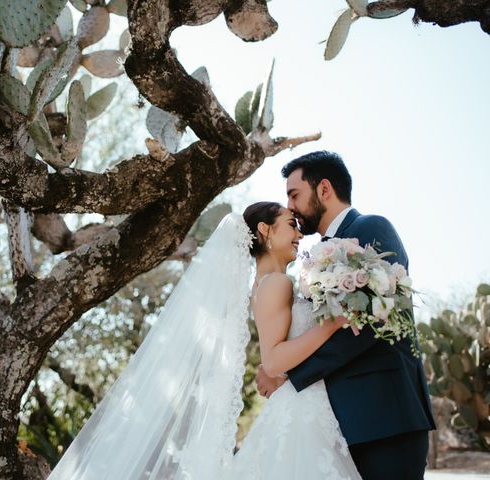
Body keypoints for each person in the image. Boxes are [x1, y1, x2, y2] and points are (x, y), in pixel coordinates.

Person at [47, 201, 362, 479]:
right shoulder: (277, 283)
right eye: (291, 225)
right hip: (302, 418)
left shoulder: (265, 283)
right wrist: (332, 324)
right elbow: (275, 360)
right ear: (265, 230)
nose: (300, 234)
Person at [256, 150, 436, 480]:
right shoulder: (314, 257)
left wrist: (289, 375)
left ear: (324, 189)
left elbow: (367, 324)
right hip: (336, 428)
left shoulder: (371, 227)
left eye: (294, 194)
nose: (291, 207)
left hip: (385, 420)